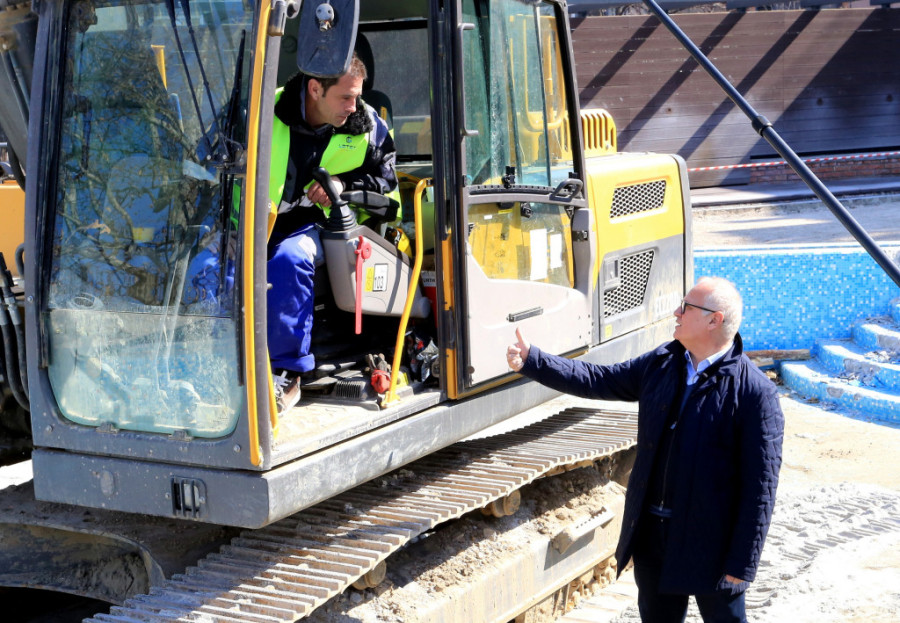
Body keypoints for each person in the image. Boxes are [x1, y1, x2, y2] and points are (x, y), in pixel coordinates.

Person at [507, 277, 784, 623]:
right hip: (654, 535)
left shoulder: (755, 394)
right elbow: (600, 379)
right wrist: (534, 361)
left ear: (714, 320)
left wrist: (742, 562)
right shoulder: (663, 364)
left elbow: (760, 490)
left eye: (686, 308)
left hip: (711, 544)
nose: (676, 312)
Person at [267, 54, 397, 410]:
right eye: (345, 97)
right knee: (211, 266)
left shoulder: (367, 125)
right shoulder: (260, 110)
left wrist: (343, 183)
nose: (354, 106)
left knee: (288, 260)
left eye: (356, 96)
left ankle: (286, 372)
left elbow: (389, 185)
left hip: (319, 226)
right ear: (314, 89)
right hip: (254, 224)